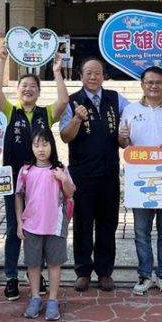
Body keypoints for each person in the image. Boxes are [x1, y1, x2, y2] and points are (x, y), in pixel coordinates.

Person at [0, 44, 69, 301]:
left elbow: (64, 101)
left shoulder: (45, 113)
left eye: (33, 86)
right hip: (14, 179)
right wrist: (2, 60)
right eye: (24, 85)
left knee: (42, 227)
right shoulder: (8, 111)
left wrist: (57, 71)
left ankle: (35, 274)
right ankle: (12, 276)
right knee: (17, 227)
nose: (28, 89)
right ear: (18, 89)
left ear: (38, 91)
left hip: (43, 181)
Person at [60, 57, 129, 292]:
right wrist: (78, 118)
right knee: (82, 223)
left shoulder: (116, 99)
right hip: (81, 175)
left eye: (97, 73)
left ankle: (105, 271)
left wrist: (125, 137)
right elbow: (65, 136)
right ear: (80, 76)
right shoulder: (71, 102)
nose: (93, 77)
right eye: (88, 73)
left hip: (109, 173)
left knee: (108, 224)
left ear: (103, 76)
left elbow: (129, 125)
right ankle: (82, 271)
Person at [117, 66, 162, 296]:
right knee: (141, 232)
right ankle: (145, 274)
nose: (153, 86)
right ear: (142, 85)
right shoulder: (129, 110)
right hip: (141, 181)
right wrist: (123, 138)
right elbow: (123, 143)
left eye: (158, 82)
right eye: (149, 82)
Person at [15, 129, 76, 321]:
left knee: (54, 264)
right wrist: (19, 222)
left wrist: (64, 179)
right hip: (32, 225)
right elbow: (19, 196)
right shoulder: (26, 170)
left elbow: (70, 194)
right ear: (31, 147)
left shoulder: (59, 169)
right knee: (33, 264)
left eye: (45, 144)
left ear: (52, 145)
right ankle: (35, 297)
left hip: (55, 225)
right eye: (36, 145)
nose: (41, 149)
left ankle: (52, 299)